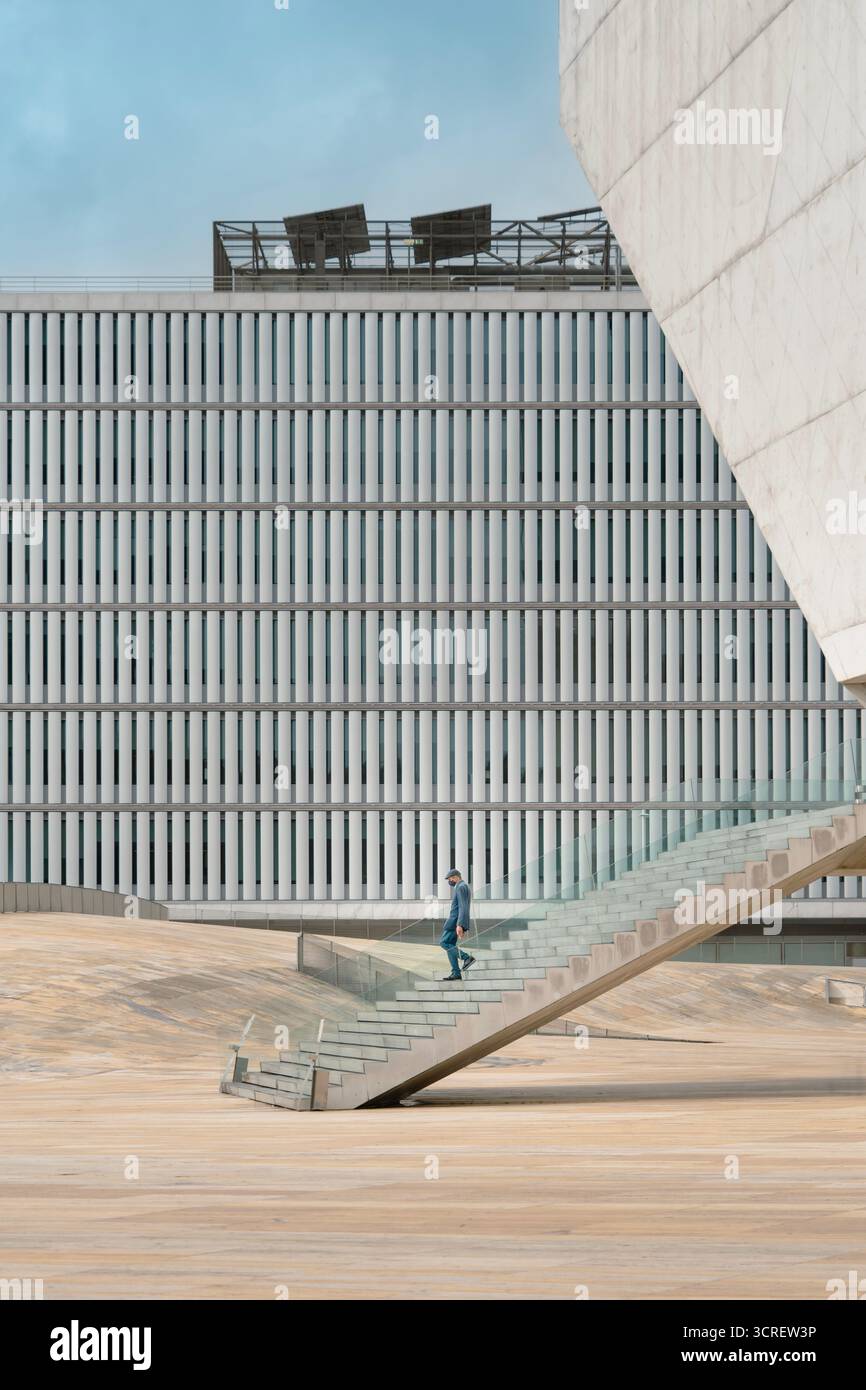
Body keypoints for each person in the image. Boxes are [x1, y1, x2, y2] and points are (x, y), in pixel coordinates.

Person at [439, 869, 476, 981]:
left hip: (454, 922)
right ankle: (456, 972)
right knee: (450, 945)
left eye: (450, 879)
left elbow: (463, 907)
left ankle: (467, 958)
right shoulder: (462, 886)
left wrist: (460, 924)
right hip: (456, 921)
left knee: (444, 942)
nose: (449, 881)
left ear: (455, 877)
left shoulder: (461, 887)